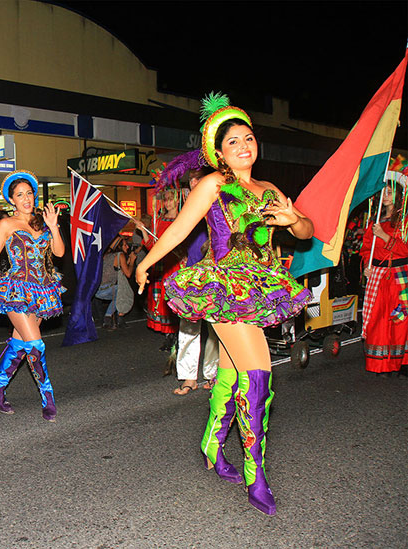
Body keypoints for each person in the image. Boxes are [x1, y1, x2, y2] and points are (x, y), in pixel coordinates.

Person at [136, 93, 313, 516]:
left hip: (261, 284)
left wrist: (293, 220)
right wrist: (145, 263)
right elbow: (180, 230)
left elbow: (306, 230)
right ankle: (257, 475)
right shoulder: (214, 184)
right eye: (232, 141)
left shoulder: (269, 190)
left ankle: (212, 446)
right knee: (258, 375)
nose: (243, 146)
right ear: (218, 151)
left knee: (233, 374)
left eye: (248, 138)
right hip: (223, 285)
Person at [0, 170, 65, 422]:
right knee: (36, 344)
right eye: (20, 195)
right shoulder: (7, 224)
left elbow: (59, 253)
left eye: (30, 194)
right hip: (16, 290)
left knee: (22, 345)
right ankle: (48, 397)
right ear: (12, 200)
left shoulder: (43, 222)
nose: (26, 199)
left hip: (42, 290)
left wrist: (54, 228)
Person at [170, 167, 220, 393]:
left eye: (196, 182)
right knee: (188, 327)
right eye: (190, 183)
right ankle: (188, 377)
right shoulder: (189, 210)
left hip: (215, 274)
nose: (192, 187)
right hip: (192, 275)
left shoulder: (218, 209)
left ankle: (212, 374)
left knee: (215, 328)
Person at [359, 183, 408, 375]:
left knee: (399, 318)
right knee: (377, 319)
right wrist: (366, 267)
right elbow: (366, 249)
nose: (386, 196)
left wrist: (385, 237)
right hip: (378, 276)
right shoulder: (375, 221)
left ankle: (401, 362)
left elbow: (405, 249)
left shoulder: (404, 221)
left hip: (399, 276)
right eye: (384, 193)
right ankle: (380, 364)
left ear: (398, 196)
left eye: (390, 192)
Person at [144, 189, 183, 354]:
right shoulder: (159, 221)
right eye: (165, 200)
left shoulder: (183, 220)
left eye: (169, 199)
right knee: (160, 301)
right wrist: (143, 230)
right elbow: (151, 246)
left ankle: (178, 334)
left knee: (175, 299)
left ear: (176, 201)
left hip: (175, 265)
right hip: (160, 265)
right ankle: (170, 335)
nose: (166, 203)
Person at [95, 235, 136, 329]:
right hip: (107, 289)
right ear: (119, 246)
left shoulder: (106, 255)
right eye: (125, 245)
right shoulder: (120, 255)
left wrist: (128, 261)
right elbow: (128, 274)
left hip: (98, 291)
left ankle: (114, 319)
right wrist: (132, 261)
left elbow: (117, 271)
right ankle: (110, 317)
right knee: (124, 292)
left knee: (119, 292)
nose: (127, 247)